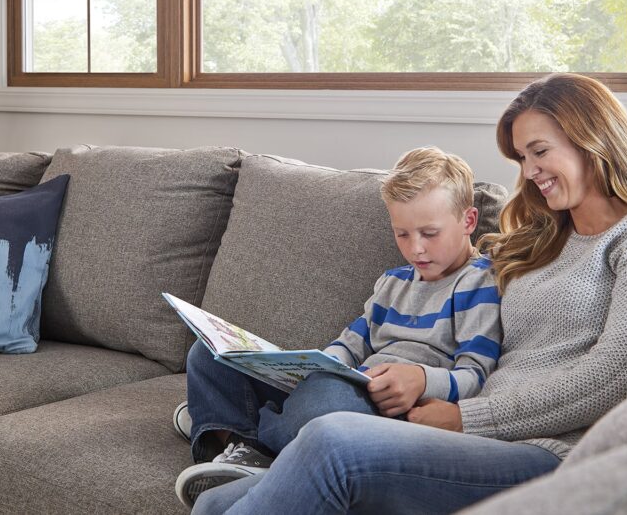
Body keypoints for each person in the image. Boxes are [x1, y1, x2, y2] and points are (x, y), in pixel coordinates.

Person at [190, 73, 627, 515]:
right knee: (216, 503)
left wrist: (466, 416)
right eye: (522, 157)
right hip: (471, 431)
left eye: (539, 151)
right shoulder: (546, 240)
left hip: (558, 452)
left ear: (593, 138)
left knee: (334, 441)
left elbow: (613, 378)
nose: (529, 172)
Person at [174, 147, 503, 507]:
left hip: (383, 410)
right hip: (349, 381)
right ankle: (239, 441)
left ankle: (233, 434)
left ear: (469, 221)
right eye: (403, 234)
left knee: (325, 398)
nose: (416, 249)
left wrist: (422, 379)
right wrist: (319, 362)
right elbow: (352, 341)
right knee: (208, 353)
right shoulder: (393, 282)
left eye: (429, 233)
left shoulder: (480, 283)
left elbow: (477, 375)